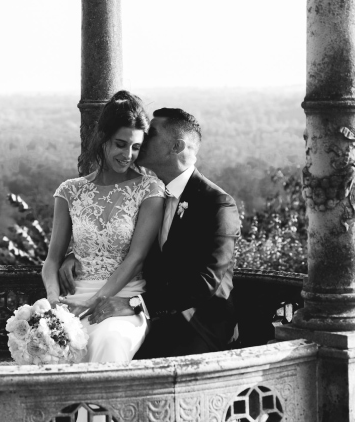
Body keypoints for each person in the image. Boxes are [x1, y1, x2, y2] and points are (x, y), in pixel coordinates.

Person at [59, 107, 241, 358]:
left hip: (196, 324)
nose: (141, 138)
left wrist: (134, 304)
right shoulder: (149, 194)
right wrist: (75, 254)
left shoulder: (216, 204)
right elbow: (117, 239)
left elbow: (206, 281)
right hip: (151, 318)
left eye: (151, 133)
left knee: (112, 349)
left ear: (176, 146)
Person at [42, 91, 165, 364]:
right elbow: (51, 260)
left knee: (109, 341)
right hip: (71, 300)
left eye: (135, 147)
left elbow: (136, 258)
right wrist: (53, 300)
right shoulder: (70, 191)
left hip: (121, 302)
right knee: (53, 351)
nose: (128, 155)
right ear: (103, 138)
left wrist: (94, 302)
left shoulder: (150, 190)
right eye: (121, 144)